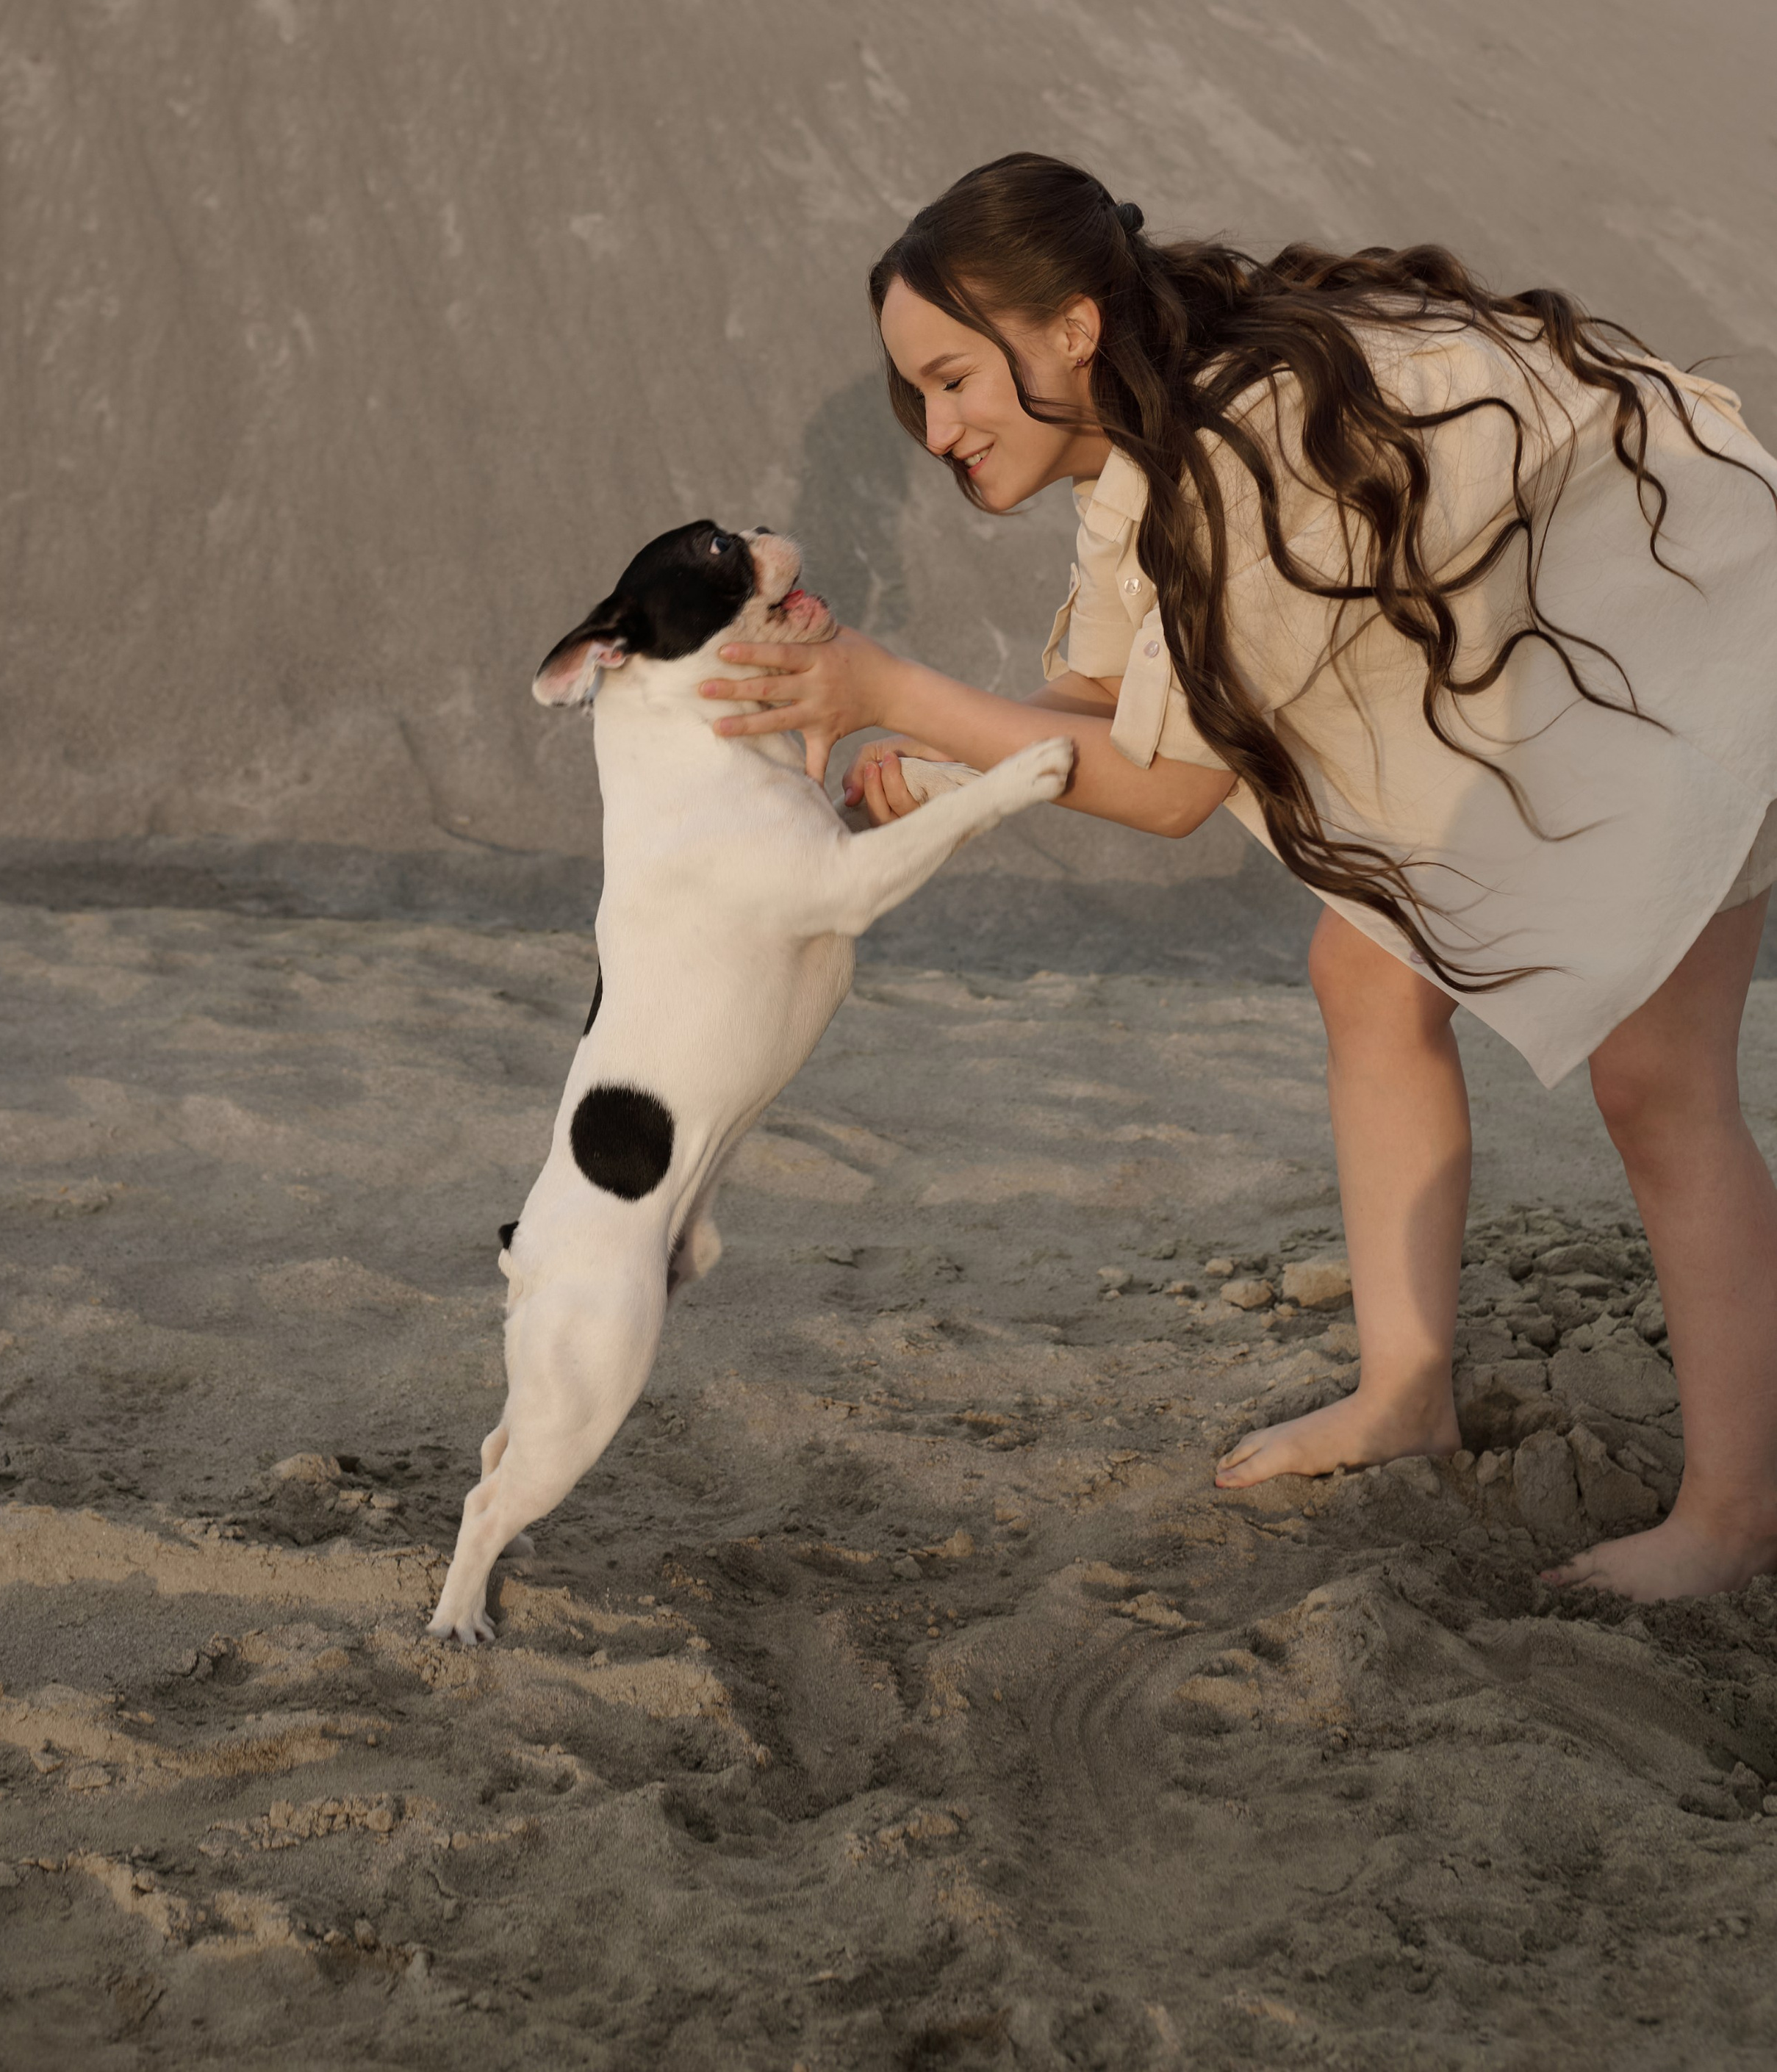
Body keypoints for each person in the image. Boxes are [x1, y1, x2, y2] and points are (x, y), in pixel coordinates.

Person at [697, 153, 1777, 1604]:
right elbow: (1099, 705)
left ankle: (1730, 1515)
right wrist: (943, 756)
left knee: (1655, 1079)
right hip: (1537, 637)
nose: (939, 429)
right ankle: (1404, 1394)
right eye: (918, 397)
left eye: (954, 379)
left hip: (1682, 614)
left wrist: (892, 684)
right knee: (1364, 976)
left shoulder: (1242, 442)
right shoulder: (1137, 445)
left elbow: (1165, 788)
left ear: (1069, 328)